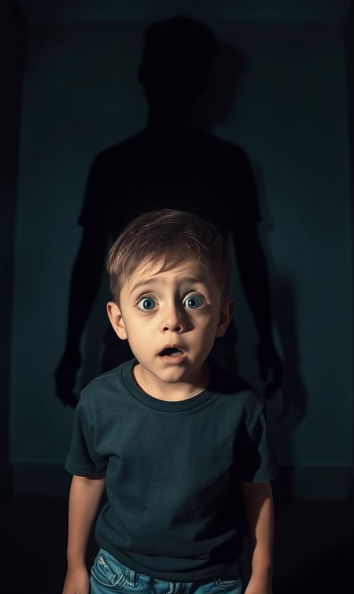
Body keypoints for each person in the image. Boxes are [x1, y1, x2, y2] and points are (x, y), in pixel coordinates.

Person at [61, 210, 278, 594]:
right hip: (120, 578)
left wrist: (261, 576)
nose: (173, 319)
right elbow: (87, 482)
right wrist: (74, 564)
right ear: (119, 321)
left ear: (221, 319)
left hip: (215, 586)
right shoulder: (99, 402)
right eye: (148, 302)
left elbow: (258, 492)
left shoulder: (242, 407)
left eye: (193, 300)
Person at [54, 15, 284, 408]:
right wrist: (70, 347)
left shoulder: (228, 163)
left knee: (214, 452)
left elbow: (250, 256)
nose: (175, 84)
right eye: (169, 70)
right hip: (133, 340)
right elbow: (89, 260)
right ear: (145, 75)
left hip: (207, 339)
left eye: (186, 71)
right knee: (124, 449)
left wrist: (268, 339)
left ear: (200, 81)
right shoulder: (113, 165)